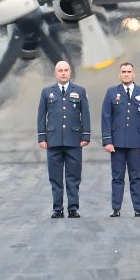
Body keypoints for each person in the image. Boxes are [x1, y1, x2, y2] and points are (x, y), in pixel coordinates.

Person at [37, 59, 91, 218]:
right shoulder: (47, 92)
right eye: (60, 70)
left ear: (70, 72)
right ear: (55, 73)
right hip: (53, 140)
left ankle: (73, 208)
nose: (63, 73)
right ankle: (57, 209)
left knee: (73, 176)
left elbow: (85, 115)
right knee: (55, 177)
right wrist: (42, 136)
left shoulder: (79, 91)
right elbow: (41, 116)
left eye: (66, 70)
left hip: (74, 140)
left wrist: (85, 135)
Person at [101, 61, 140, 217]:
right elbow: (106, 118)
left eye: (128, 71)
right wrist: (107, 140)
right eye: (123, 72)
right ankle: (116, 209)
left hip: (136, 143)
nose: (126, 74)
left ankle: (138, 208)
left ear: (133, 73)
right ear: (119, 74)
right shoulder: (111, 93)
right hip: (116, 143)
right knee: (117, 177)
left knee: (135, 177)